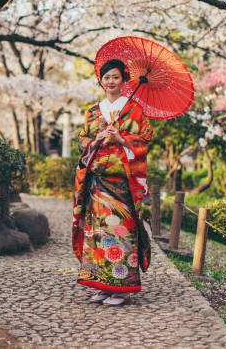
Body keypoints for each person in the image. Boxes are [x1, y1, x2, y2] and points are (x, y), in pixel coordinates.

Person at [72, 58, 153, 306]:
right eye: (106, 77)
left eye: (115, 77)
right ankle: (102, 284)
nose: (110, 82)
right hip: (96, 184)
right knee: (97, 233)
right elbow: (82, 140)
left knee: (120, 232)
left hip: (123, 185)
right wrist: (95, 142)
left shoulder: (134, 110)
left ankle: (122, 288)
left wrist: (122, 138)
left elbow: (146, 139)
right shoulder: (93, 111)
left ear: (124, 79)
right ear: (101, 80)